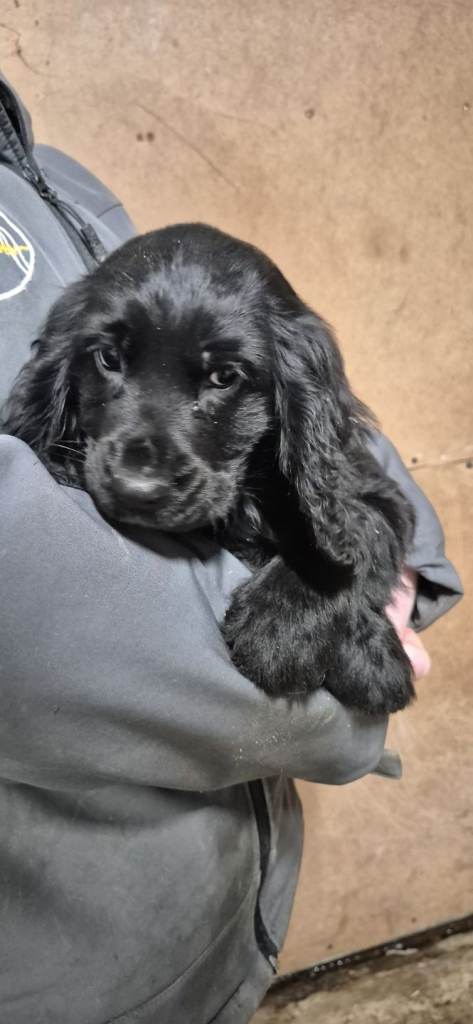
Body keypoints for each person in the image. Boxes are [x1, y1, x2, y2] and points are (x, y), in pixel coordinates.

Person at [0, 72, 462, 1024]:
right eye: (109, 363)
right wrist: (339, 707)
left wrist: (364, 557)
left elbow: (339, 450)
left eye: (216, 380)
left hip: (225, 928)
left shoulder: (59, 180)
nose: (132, 462)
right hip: (63, 973)